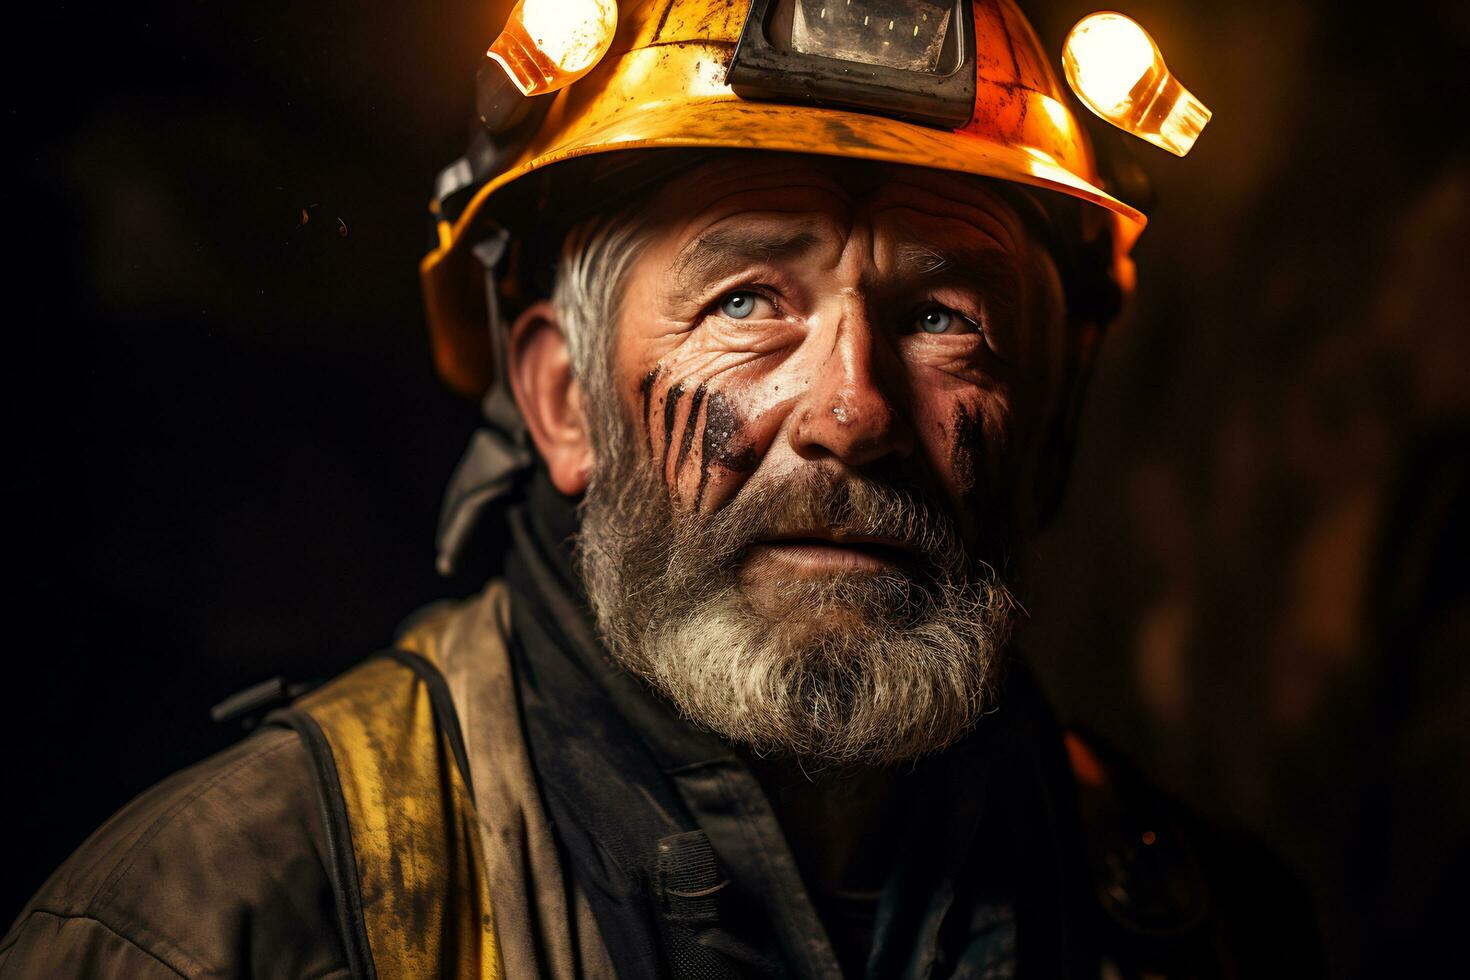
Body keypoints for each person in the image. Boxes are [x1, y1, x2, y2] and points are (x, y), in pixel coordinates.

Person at [0, 1, 1319, 977]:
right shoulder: (223, 922)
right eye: (746, 299)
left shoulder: (1195, 922)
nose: (852, 415)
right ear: (562, 399)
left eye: (944, 316)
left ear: (1053, 418)